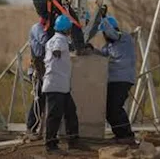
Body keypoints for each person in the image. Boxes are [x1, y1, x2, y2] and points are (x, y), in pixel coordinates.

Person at [89, 15, 137, 144]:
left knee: (115, 107)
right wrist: (91, 49)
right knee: (109, 109)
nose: (104, 36)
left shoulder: (124, 38)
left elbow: (112, 33)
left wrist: (102, 17)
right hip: (112, 80)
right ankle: (120, 135)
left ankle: (127, 135)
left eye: (104, 32)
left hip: (122, 79)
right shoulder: (108, 46)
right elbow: (102, 55)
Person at [42, 15, 84, 154]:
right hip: (55, 85)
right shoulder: (57, 40)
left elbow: (67, 46)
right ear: (67, 29)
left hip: (62, 86)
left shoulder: (62, 39)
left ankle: (73, 141)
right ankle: (50, 145)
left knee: (70, 112)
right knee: (55, 115)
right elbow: (56, 48)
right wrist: (57, 52)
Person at [25, 18, 50, 139]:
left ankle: (42, 129)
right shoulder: (38, 28)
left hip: (44, 68)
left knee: (45, 99)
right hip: (37, 69)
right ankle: (31, 128)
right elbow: (45, 41)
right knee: (38, 99)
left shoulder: (45, 29)